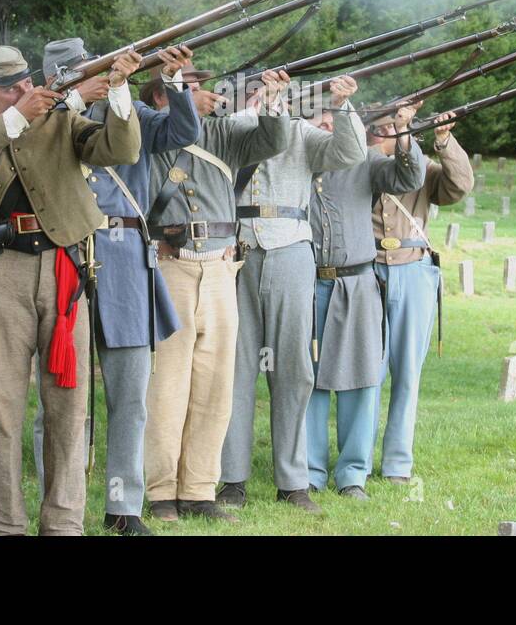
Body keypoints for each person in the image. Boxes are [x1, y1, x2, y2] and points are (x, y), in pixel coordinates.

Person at [0, 44, 141, 535]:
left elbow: (121, 150)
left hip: (63, 270)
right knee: (3, 409)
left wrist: (117, 92)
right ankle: (6, 524)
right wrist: (28, 113)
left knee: (68, 408)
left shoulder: (61, 119)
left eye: (24, 83)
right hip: (6, 269)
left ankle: (63, 522)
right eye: (10, 89)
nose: (24, 91)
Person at [30, 38, 200, 536]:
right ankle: (60, 503)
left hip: (125, 263)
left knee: (130, 396)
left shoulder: (130, 111)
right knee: (60, 397)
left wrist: (171, 80)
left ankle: (124, 505)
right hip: (65, 262)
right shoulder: (44, 117)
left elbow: (184, 130)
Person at [143, 68, 291, 523]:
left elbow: (274, 141)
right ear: (162, 95)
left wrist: (272, 100)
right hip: (171, 265)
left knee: (215, 385)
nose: (202, 95)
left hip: (222, 267)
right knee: (167, 387)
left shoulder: (223, 133)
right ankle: (162, 492)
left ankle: (200, 490)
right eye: (187, 89)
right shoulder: (149, 133)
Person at [217, 75, 367, 513]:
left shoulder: (302, 133)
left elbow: (350, 152)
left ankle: (293, 479)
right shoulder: (235, 127)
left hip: (290, 246)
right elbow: (258, 129)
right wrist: (266, 106)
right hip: (238, 245)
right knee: (236, 367)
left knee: (293, 367)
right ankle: (232, 478)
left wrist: (341, 105)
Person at [306, 103, 423, 499]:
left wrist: (403, 129)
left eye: (334, 121)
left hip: (357, 282)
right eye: (319, 121)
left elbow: (409, 175)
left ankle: (352, 474)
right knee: (310, 382)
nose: (326, 128)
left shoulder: (366, 160)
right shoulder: (297, 161)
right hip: (306, 283)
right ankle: (309, 472)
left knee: (361, 380)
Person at [370, 104, 473, 484]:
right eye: (383, 127)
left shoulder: (422, 167)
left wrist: (444, 141)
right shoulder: (359, 165)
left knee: (408, 372)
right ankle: (359, 461)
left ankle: (397, 463)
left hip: (413, 268)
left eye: (396, 127)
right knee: (369, 373)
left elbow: (458, 186)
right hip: (369, 270)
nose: (390, 134)